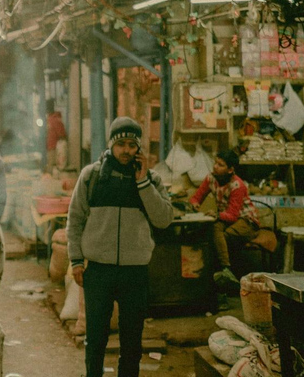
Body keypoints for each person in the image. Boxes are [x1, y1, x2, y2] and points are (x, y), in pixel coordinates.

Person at [67, 117, 173, 377]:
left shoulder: (152, 179)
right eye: (121, 144)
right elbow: (75, 219)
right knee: (96, 339)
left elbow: (164, 219)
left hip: (134, 272)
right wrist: (76, 260)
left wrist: (142, 182)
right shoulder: (91, 176)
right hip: (98, 271)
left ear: (140, 148)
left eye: (132, 145)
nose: (126, 150)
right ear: (111, 145)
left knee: (132, 343)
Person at [189, 149, 260, 285]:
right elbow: (196, 197)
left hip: (247, 221)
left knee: (221, 238)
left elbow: (233, 215)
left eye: (220, 165)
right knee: (215, 230)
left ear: (230, 170)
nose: (215, 166)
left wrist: (216, 214)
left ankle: (225, 272)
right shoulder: (211, 178)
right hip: (226, 217)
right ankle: (225, 270)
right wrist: (195, 204)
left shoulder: (237, 185)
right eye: (215, 163)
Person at [46, 99, 67, 173]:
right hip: (52, 146)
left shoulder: (53, 119)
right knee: (52, 165)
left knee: (51, 166)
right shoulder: (53, 119)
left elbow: (62, 134)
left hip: (54, 147)